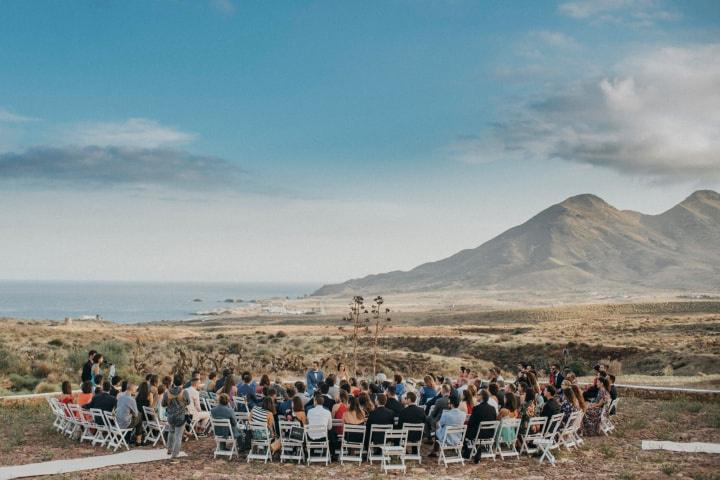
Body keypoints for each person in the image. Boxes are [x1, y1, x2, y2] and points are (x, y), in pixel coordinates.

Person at [464, 389, 497, 462]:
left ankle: (467, 452)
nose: (476, 396)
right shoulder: (492, 408)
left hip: (478, 434)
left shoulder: (477, 408)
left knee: (465, 431)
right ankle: (478, 448)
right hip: (490, 434)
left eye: (478, 395)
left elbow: (471, 422)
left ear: (482, 396)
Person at [162, 374, 190, 459]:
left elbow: (163, 404)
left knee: (171, 432)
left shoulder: (167, 392)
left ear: (173, 381)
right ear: (182, 382)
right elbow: (188, 402)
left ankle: (169, 449)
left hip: (170, 416)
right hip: (180, 417)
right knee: (178, 436)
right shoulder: (184, 392)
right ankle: (175, 454)